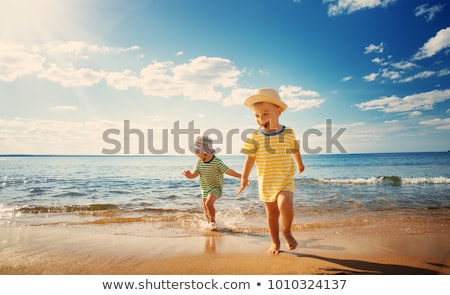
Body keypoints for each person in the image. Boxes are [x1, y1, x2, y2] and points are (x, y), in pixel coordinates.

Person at [237, 88, 305, 254]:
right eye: (257, 116)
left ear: (278, 111)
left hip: (285, 179)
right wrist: (244, 177)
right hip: (266, 182)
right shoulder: (254, 136)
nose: (261, 119)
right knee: (272, 214)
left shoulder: (288, 132)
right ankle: (275, 243)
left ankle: (287, 231)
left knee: (285, 205)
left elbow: (294, 149)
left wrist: (300, 164)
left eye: (265, 114)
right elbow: (250, 158)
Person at [183, 136, 243, 231]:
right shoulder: (199, 162)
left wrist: (242, 176)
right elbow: (195, 174)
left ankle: (213, 223)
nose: (196, 155)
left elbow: (228, 171)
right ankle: (209, 224)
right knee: (205, 206)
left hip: (216, 187)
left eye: (197, 153)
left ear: (205, 152)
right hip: (205, 188)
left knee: (208, 203)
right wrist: (189, 176)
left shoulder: (217, 162)